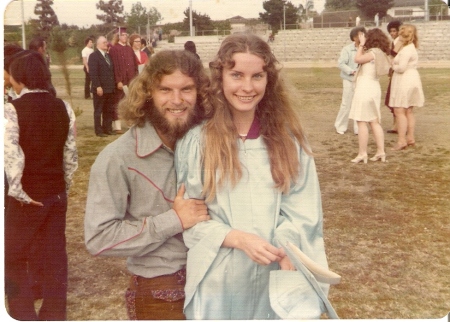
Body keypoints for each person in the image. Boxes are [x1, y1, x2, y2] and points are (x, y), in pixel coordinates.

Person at [175, 33, 330, 319]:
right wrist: (237, 238)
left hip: (274, 277)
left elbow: (304, 212)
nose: (247, 87)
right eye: (237, 75)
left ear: (268, 80)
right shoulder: (198, 143)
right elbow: (190, 218)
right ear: (220, 77)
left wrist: (286, 243)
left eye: (257, 76)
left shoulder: (288, 142)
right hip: (219, 281)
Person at [84, 50, 212, 320]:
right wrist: (173, 220)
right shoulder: (117, 157)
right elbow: (99, 238)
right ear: (148, 92)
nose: (176, 101)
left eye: (186, 89)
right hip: (163, 291)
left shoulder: (210, 141)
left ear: (200, 92)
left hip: (218, 281)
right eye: (165, 89)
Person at [4, 50, 78, 320]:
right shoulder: (64, 107)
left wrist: (18, 192)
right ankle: (54, 314)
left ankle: (23, 314)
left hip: (27, 195)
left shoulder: (11, 110)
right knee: (55, 255)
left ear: (19, 79)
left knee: (12, 256)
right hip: (55, 193)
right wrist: (64, 187)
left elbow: (11, 156)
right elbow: (70, 155)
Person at [349, 28, 391, 163]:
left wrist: (361, 44)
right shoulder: (380, 53)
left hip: (366, 87)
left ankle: (362, 153)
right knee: (374, 121)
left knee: (361, 121)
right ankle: (380, 151)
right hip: (373, 87)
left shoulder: (373, 53)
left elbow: (357, 59)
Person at [389, 24, 424, 150]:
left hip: (405, 79)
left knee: (400, 111)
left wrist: (392, 65)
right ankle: (410, 138)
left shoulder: (407, 49)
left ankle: (402, 140)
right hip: (411, 78)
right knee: (408, 110)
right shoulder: (410, 47)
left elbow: (401, 68)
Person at [334, 26, 366, 135]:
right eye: (358, 35)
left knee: (359, 104)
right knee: (346, 103)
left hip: (361, 80)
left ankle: (358, 128)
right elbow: (341, 63)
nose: (360, 37)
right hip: (349, 79)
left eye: (362, 34)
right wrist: (352, 71)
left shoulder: (366, 49)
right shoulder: (347, 49)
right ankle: (340, 126)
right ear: (353, 37)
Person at [108, 28, 138, 134]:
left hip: (131, 80)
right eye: (123, 35)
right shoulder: (114, 49)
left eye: (126, 35)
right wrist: (118, 80)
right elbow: (114, 67)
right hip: (121, 81)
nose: (125, 37)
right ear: (118, 36)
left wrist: (136, 79)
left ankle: (130, 123)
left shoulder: (129, 49)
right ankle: (117, 126)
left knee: (131, 102)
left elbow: (134, 65)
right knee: (118, 102)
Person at [88, 36, 116, 137]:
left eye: (106, 42)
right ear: (98, 44)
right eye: (104, 43)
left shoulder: (108, 56)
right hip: (100, 89)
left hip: (109, 88)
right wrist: (98, 86)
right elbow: (93, 73)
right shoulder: (93, 56)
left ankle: (107, 129)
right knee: (98, 110)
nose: (106, 44)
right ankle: (98, 131)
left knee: (108, 110)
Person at [385, 20, 403, 134]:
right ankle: (395, 124)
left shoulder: (400, 42)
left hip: (399, 73)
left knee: (397, 100)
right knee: (392, 99)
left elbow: (393, 55)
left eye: (394, 31)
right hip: (394, 73)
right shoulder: (394, 42)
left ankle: (398, 125)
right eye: (391, 31)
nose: (392, 33)